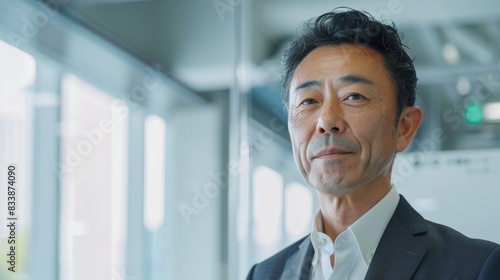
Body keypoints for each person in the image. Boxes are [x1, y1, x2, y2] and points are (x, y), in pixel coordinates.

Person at [246, 8, 500, 280]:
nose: (327, 121)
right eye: (308, 101)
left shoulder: (475, 267)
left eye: (354, 96)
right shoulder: (264, 274)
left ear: (404, 128)